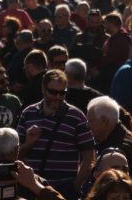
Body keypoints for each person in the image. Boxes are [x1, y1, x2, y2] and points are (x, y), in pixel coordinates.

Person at [17, 69, 95, 200]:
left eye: (62, 93)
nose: (58, 97)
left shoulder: (76, 117)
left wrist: (76, 185)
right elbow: (16, 154)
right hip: (31, 186)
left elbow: (89, 154)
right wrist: (29, 143)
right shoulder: (28, 113)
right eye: (53, 92)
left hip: (64, 188)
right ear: (43, 89)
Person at [86, 96, 132, 194]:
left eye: (90, 121)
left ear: (104, 121)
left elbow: (119, 189)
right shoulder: (126, 136)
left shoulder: (118, 150)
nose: (88, 125)